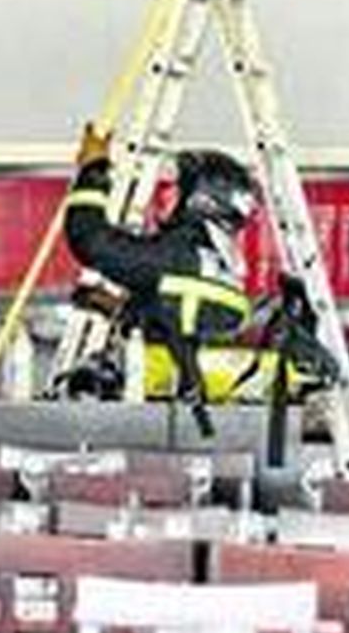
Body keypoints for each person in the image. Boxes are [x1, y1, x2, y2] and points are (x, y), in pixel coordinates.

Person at [60, 124, 258, 435]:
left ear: (201, 202)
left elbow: (90, 241)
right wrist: (115, 307)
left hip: (171, 421)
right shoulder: (214, 261)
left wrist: (92, 169)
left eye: (177, 190)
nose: (167, 196)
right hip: (188, 416)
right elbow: (175, 319)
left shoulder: (181, 253)